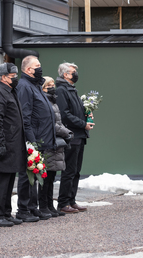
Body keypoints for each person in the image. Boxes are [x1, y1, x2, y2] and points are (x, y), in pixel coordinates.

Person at [16, 55, 56, 222]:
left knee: (36, 173)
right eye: (37, 65)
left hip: (41, 138)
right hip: (33, 139)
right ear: (28, 69)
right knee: (27, 175)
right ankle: (23, 209)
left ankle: (32, 207)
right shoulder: (25, 86)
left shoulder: (36, 85)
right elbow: (25, 116)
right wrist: (31, 141)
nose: (40, 68)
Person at [0, 63, 25, 227]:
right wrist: (0, 142)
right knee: (2, 180)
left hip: (13, 143)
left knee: (10, 179)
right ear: (3, 77)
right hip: (6, 143)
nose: (15, 79)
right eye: (12, 76)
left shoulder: (10, 91)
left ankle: (6, 212)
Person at [56, 62, 94, 214]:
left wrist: (86, 115)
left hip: (79, 135)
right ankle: (63, 202)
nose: (75, 74)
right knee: (69, 171)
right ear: (65, 74)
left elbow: (75, 111)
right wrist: (82, 124)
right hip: (71, 136)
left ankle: (71, 200)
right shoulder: (62, 90)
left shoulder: (72, 90)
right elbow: (65, 114)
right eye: (73, 72)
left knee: (76, 171)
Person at [39, 77, 73, 217]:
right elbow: (51, 123)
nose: (52, 87)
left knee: (52, 176)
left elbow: (59, 121)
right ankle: (43, 206)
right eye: (49, 85)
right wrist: (66, 132)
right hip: (48, 143)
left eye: (53, 84)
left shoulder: (53, 101)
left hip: (55, 143)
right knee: (45, 177)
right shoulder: (45, 102)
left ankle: (49, 205)